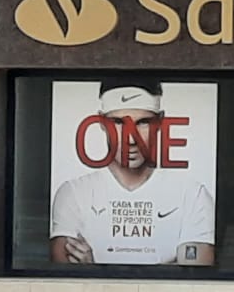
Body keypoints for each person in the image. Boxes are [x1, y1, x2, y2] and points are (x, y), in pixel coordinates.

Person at [49, 79, 216, 267]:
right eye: (118, 123)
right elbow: (64, 277)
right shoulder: (74, 193)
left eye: (143, 123)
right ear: (102, 123)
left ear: (160, 122)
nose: (131, 138)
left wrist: (96, 269)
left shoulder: (192, 194)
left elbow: (193, 279)